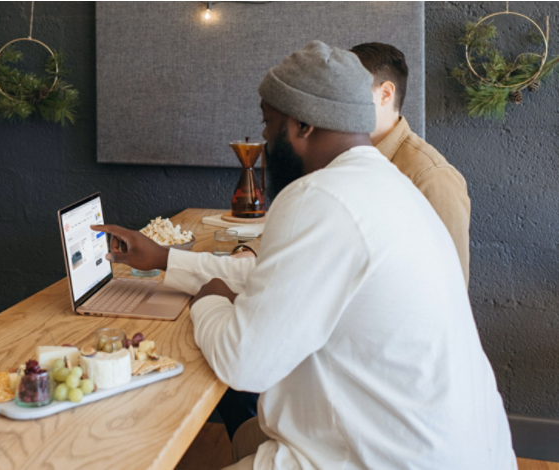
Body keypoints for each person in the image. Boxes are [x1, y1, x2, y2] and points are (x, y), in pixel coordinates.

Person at [92, 41, 514, 470]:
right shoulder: (390, 183)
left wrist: (210, 301)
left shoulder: (318, 195)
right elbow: (273, 276)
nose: (264, 138)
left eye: (268, 122)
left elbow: (243, 364)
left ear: (303, 126)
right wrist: (166, 259)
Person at [351, 42, 471, 286]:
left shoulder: (431, 176)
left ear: (385, 93)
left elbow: (450, 286)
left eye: (349, 93)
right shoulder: (348, 160)